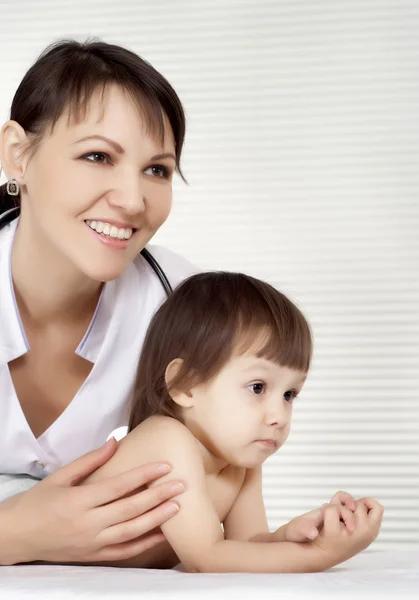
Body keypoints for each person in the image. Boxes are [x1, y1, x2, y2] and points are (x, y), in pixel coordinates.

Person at [0, 38, 198, 566]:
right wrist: (17, 534)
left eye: (156, 169)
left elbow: (209, 492)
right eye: (97, 156)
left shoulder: (180, 302)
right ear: (18, 154)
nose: (132, 200)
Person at [83, 271, 384, 573]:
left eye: (289, 394)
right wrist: (321, 554)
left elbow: (245, 545)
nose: (279, 416)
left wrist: (289, 537)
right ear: (185, 385)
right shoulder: (166, 440)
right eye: (257, 387)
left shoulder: (239, 459)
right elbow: (207, 558)